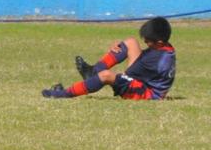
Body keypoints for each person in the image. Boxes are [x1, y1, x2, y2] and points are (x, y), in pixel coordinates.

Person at [43, 17, 176, 100]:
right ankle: (93, 71)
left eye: (148, 41)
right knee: (131, 42)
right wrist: (121, 48)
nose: (145, 41)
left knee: (105, 76)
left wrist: (105, 77)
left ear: (158, 42)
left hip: (147, 94)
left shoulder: (155, 60)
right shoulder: (165, 48)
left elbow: (127, 76)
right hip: (146, 82)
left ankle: (63, 94)